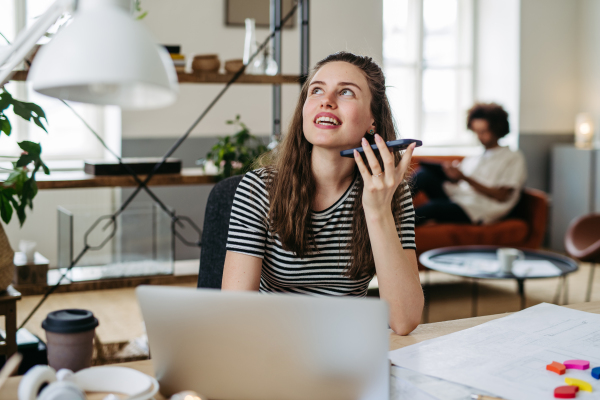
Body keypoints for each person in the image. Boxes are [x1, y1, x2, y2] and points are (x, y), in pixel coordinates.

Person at [221, 52, 423, 336]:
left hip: (347, 349)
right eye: (316, 90)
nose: (327, 100)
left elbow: (404, 320)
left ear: (372, 120)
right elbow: (235, 315)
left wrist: (378, 211)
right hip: (273, 345)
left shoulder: (390, 190)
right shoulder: (259, 188)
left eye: (346, 92)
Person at [412, 102, 527, 225]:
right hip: (458, 197)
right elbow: (459, 181)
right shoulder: (476, 156)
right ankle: (391, 206)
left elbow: (502, 196)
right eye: (476, 132)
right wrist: (452, 175)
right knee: (423, 175)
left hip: (477, 209)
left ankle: (397, 226)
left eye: (483, 131)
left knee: (432, 208)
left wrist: (464, 177)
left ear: (497, 129)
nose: (479, 136)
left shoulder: (513, 157)